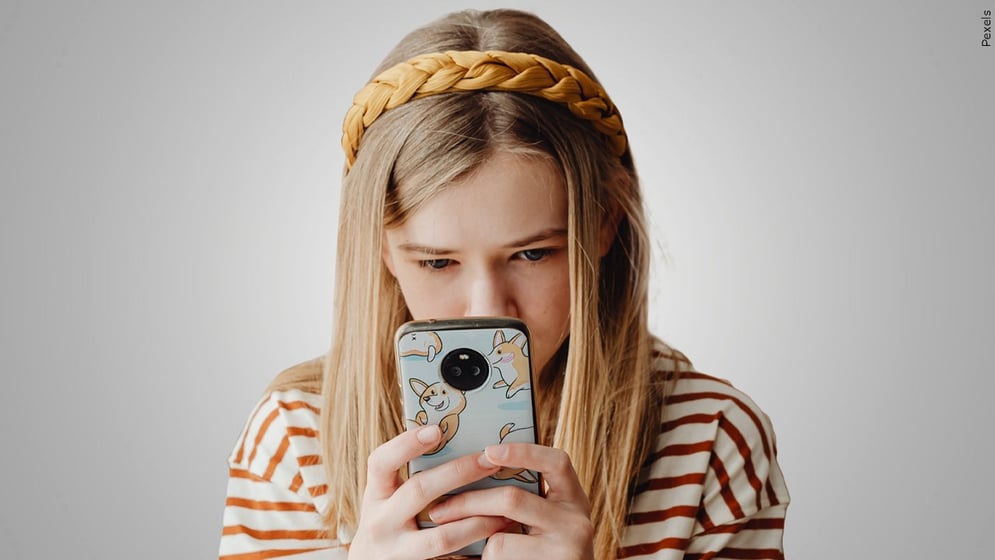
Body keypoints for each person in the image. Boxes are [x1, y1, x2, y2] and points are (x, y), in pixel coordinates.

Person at [218, 8, 789, 560]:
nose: (487, 308)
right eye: (438, 263)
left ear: (606, 225)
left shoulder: (712, 441)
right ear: (383, 251)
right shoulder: (294, 439)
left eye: (532, 253)